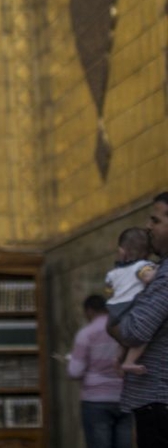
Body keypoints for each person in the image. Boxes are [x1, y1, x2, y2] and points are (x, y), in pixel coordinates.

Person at [109, 192, 168, 447]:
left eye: (155, 221)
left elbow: (135, 330)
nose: (148, 226)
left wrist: (111, 324)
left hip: (159, 399)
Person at [67, 295, 131, 448]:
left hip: (96, 400)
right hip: (124, 397)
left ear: (89, 311)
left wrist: (70, 360)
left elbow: (75, 371)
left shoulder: (86, 333)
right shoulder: (123, 329)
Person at [106, 227, 158, 373]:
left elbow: (109, 290)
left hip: (113, 310)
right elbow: (148, 278)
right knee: (142, 335)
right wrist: (159, 269)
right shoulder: (142, 266)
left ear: (121, 252)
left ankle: (117, 359)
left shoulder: (114, 272)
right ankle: (129, 361)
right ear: (148, 253)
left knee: (122, 339)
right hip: (130, 306)